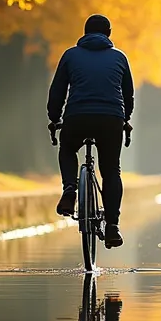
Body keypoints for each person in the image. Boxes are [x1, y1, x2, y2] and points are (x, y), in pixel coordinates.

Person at [48, 14, 134, 248]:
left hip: (77, 116)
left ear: (84, 32)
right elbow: (128, 94)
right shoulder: (119, 57)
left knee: (67, 149)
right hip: (111, 118)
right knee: (111, 170)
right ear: (109, 33)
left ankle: (69, 189)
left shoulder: (70, 55)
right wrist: (125, 119)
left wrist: (54, 118)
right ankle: (113, 226)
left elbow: (57, 91)